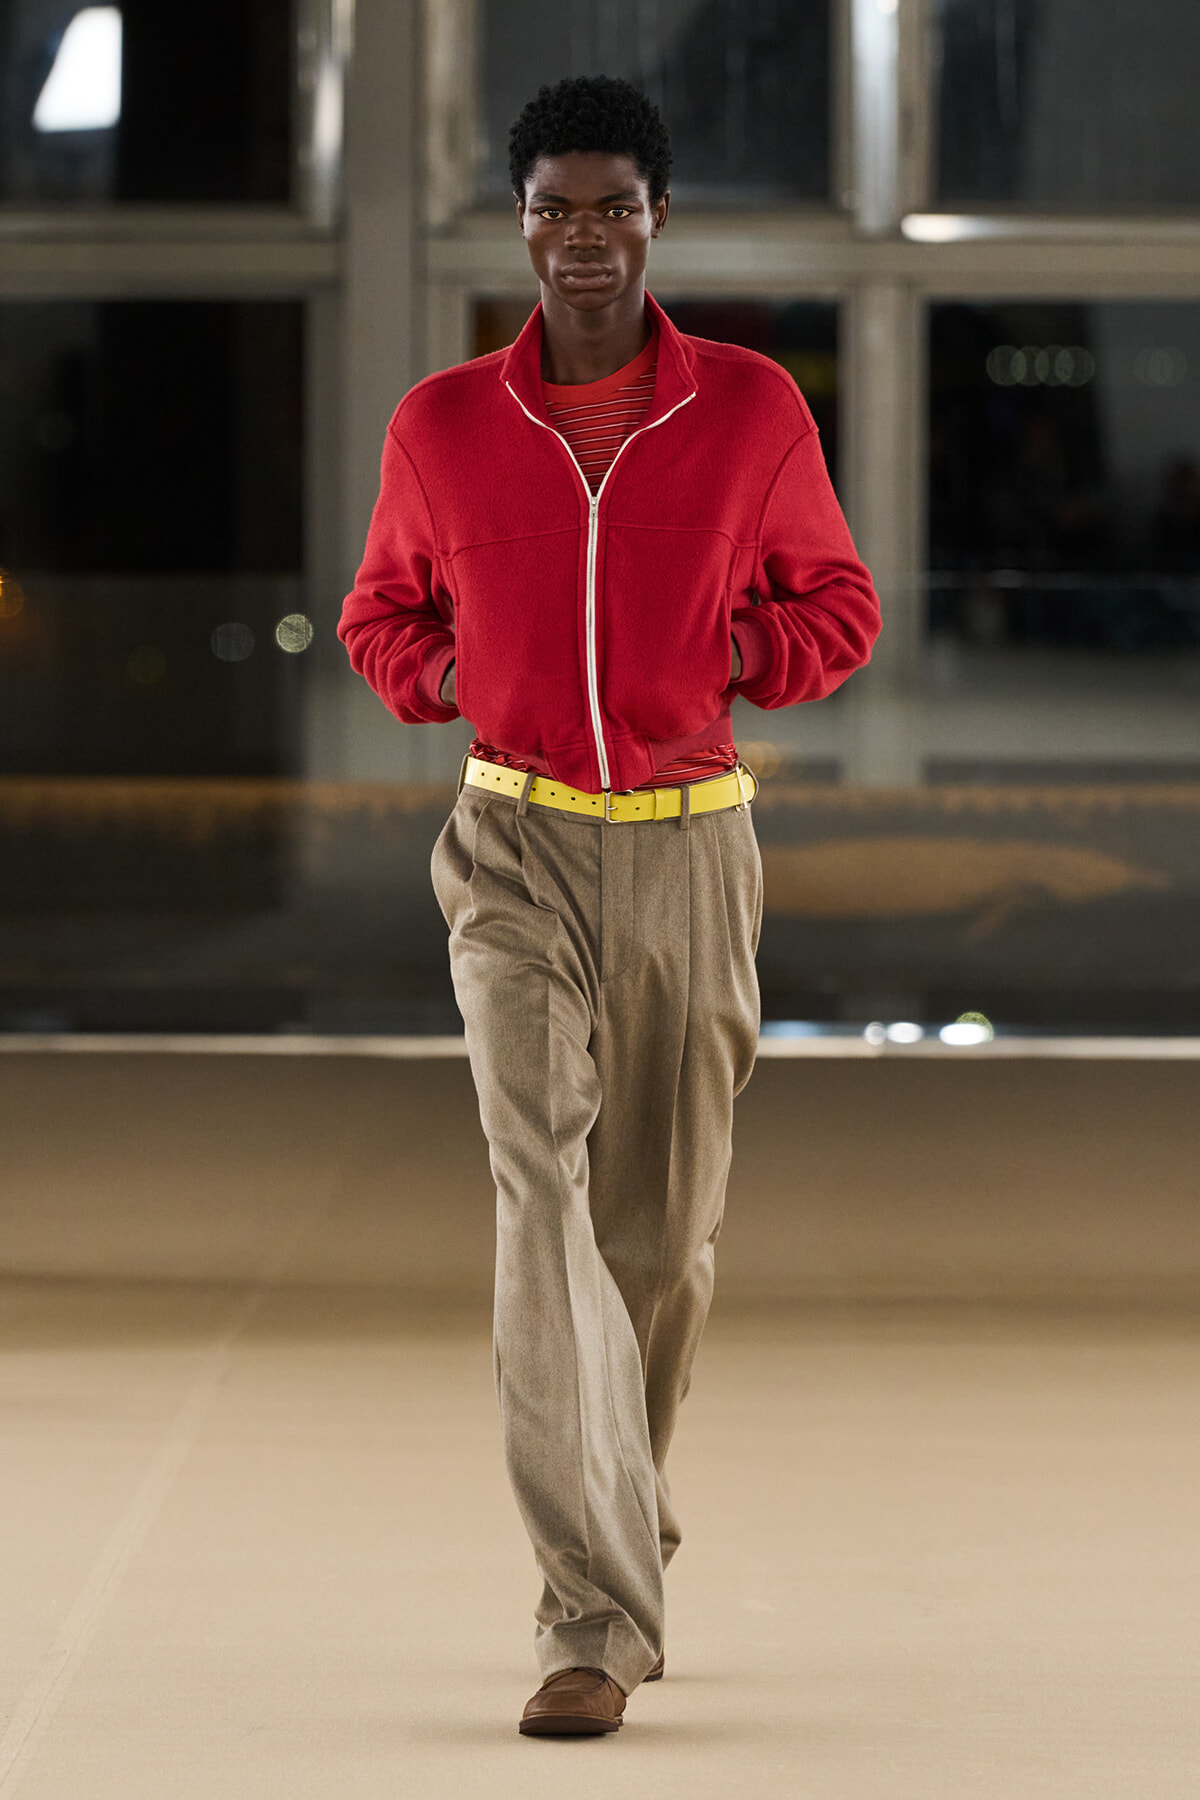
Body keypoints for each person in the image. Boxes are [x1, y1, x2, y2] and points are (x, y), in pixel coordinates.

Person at [338, 74, 880, 1738]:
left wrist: (730, 654)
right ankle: (590, 1613)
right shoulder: (439, 422)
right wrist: (462, 676)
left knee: (655, 1242)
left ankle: (624, 1501)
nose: (585, 237)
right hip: (509, 847)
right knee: (536, 1195)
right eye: (555, 208)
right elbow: (379, 614)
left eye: (614, 206)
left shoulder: (748, 408)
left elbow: (837, 606)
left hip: (692, 849)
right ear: (521, 223)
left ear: (657, 220)